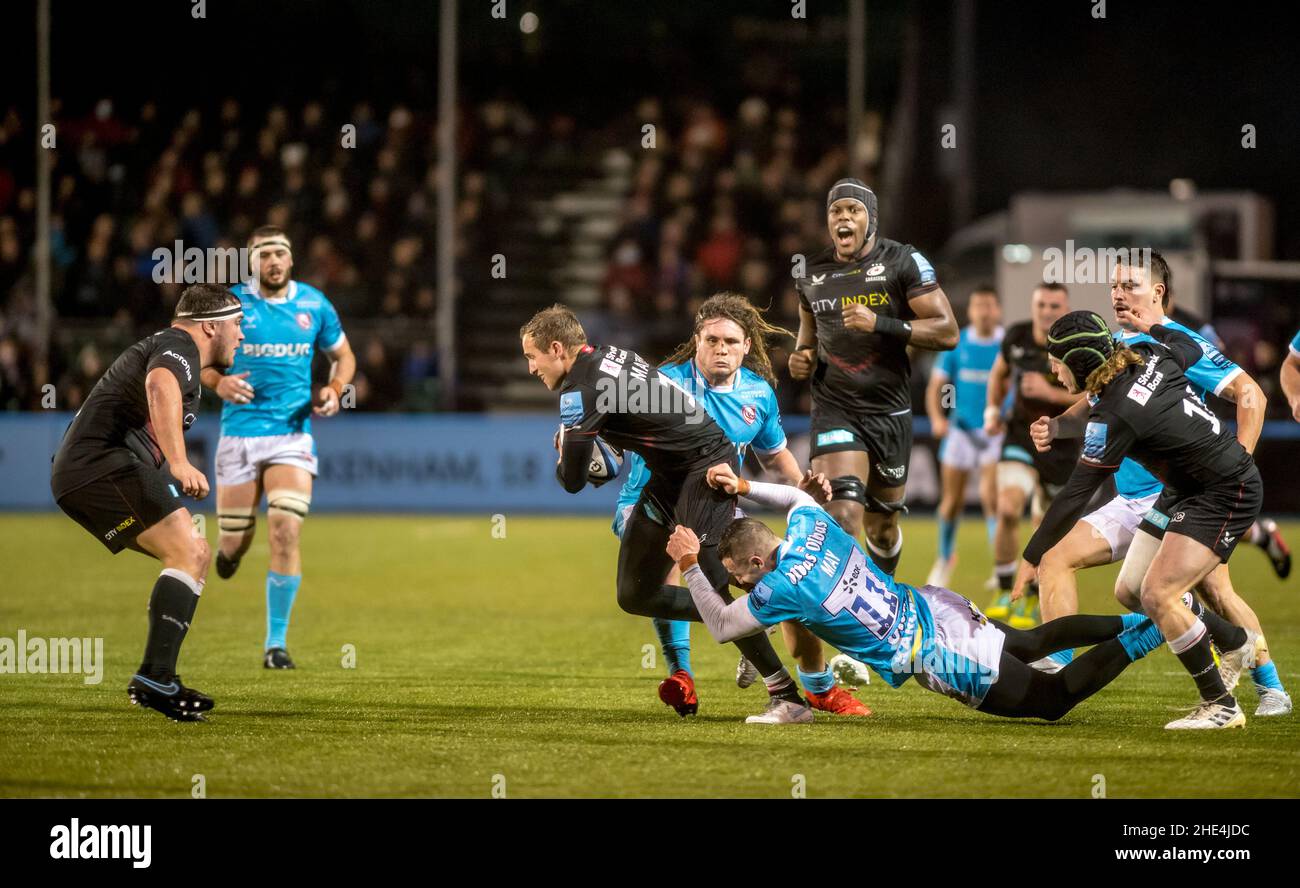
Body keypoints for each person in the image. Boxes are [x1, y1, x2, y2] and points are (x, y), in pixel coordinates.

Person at [662, 464, 1164, 723]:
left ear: (756, 562)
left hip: (934, 654)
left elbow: (724, 625)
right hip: (935, 604)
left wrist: (690, 565)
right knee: (1032, 644)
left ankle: (1152, 631)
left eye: (740, 576)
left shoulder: (780, 587)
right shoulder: (812, 523)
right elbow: (794, 494)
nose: (743, 585)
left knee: (1051, 702)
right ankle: (1143, 620)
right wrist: (745, 485)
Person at [1024, 253, 1290, 716]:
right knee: (1066, 563)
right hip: (1136, 497)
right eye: (1114, 285)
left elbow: (1251, 394)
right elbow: (1094, 405)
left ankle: (1271, 688)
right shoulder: (1112, 343)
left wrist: (1233, 466)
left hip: (1187, 493)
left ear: (1158, 292)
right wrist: (1059, 428)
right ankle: (1056, 667)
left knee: (1214, 592)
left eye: (1130, 284)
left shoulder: (1178, 341)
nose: (1118, 293)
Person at [522, 304, 811, 723]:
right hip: (670, 474)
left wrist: (569, 447)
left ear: (556, 348)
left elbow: (571, 480)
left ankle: (788, 697)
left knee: (710, 587)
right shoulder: (608, 355)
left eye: (532, 357)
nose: (531, 368)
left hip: (706, 469)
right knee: (633, 594)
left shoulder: (579, 390)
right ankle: (750, 618)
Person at [612, 293, 870, 717]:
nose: (721, 349)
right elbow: (619, 426)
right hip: (648, 502)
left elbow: (772, 455)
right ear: (697, 341)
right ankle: (695, 666)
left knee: (783, 572)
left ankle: (813, 687)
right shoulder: (664, 383)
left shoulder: (759, 394)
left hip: (717, 505)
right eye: (712, 340)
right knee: (682, 570)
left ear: (747, 345)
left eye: (731, 342)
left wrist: (800, 483)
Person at [50, 283, 244, 721]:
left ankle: (159, 677)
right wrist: (178, 462)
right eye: (237, 324)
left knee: (189, 555)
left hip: (85, 471)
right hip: (100, 465)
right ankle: (154, 677)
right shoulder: (179, 345)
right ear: (210, 326)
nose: (242, 335)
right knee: (189, 550)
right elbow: (160, 384)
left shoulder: (176, 348)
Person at [788, 178, 958, 579]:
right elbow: (807, 334)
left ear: (872, 219)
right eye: (836, 211)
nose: (844, 218)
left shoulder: (903, 261)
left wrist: (881, 323)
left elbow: (948, 331)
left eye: (854, 210)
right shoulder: (811, 272)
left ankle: (882, 595)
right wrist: (802, 357)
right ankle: (848, 616)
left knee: (881, 528)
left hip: (890, 412)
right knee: (843, 515)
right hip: (835, 409)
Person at [204, 226, 356, 670]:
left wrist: (334, 387)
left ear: (291, 260)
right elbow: (200, 361)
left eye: (280, 253)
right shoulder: (231, 303)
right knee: (234, 540)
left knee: (286, 530)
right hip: (239, 435)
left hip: (291, 434)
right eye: (264, 254)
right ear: (252, 262)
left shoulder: (314, 304)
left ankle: (276, 644)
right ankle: (229, 552)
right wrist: (219, 382)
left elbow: (344, 357)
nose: (273, 261)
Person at [982, 283, 1082, 626]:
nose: (1047, 311)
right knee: (1008, 507)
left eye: (1055, 305)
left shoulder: (1080, 343)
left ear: (1065, 309)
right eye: (1041, 304)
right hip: (1021, 436)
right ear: (1033, 305)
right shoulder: (1017, 336)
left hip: (1064, 443)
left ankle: (1030, 596)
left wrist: (1049, 394)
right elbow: (998, 374)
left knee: (1046, 525)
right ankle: (1003, 585)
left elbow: (1097, 398)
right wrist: (992, 409)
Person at [924, 286, 1004, 587]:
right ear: (971, 311)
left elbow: (1015, 386)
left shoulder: (1005, 344)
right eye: (978, 305)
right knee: (951, 503)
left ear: (997, 310)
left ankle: (1001, 565)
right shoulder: (957, 344)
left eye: (989, 305)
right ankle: (945, 558)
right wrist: (936, 418)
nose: (984, 311)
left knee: (991, 499)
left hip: (993, 432)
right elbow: (936, 387)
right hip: (959, 431)